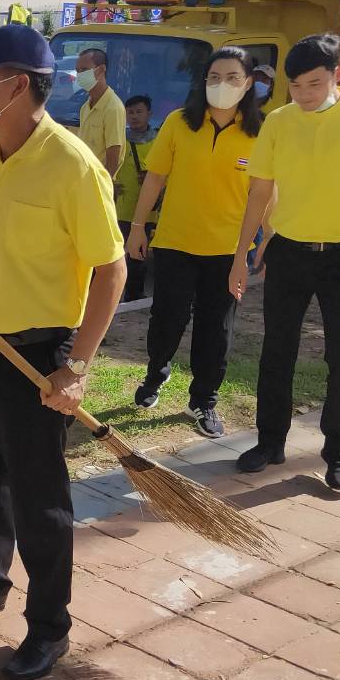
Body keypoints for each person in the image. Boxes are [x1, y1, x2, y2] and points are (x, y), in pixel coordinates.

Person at [0, 24, 126, 680]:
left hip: (38, 354)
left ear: (16, 85)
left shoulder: (72, 165)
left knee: (40, 499)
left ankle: (49, 627)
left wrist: (76, 366)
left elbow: (110, 270)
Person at [228, 32, 340, 491]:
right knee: (276, 351)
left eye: (315, 84)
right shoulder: (279, 122)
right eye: (296, 86)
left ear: (338, 75)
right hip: (289, 252)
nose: (305, 95)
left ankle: (338, 449)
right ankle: (270, 441)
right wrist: (242, 254)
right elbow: (259, 192)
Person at [127, 48, 264, 438]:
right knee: (167, 320)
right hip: (175, 242)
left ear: (249, 83)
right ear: (203, 82)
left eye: (233, 78)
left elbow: (261, 195)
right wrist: (138, 226)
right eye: (215, 77)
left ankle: (203, 401)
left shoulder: (260, 133)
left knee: (215, 329)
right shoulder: (178, 123)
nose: (223, 86)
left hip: (226, 249)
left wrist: (254, 247)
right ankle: (157, 373)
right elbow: (154, 178)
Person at [113, 94, 158, 301]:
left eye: (139, 112)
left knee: (139, 255)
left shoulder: (158, 141)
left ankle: (134, 294)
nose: (134, 116)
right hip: (121, 208)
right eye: (130, 112)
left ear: (149, 113)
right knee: (116, 254)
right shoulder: (119, 140)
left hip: (148, 211)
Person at [75, 48, 125, 177]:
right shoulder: (86, 107)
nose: (79, 75)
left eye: (84, 70)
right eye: (77, 71)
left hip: (98, 182)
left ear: (101, 69)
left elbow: (114, 153)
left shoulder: (113, 108)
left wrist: (105, 185)